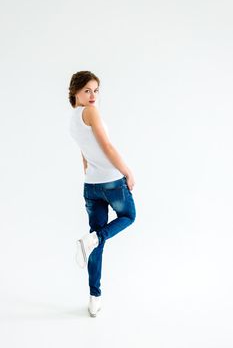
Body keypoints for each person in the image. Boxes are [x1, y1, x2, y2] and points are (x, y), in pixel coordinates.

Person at [68, 70, 136, 317]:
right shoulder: (90, 111)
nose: (93, 95)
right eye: (87, 90)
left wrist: (87, 175)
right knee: (129, 215)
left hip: (91, 185)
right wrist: (127, 171)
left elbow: (84, 152)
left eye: (96, 90)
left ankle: (94, 297)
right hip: (111, 180)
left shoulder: (73, 119)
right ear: (75, 91)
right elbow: (106, 146)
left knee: (96, 242)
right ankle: (95, 238)